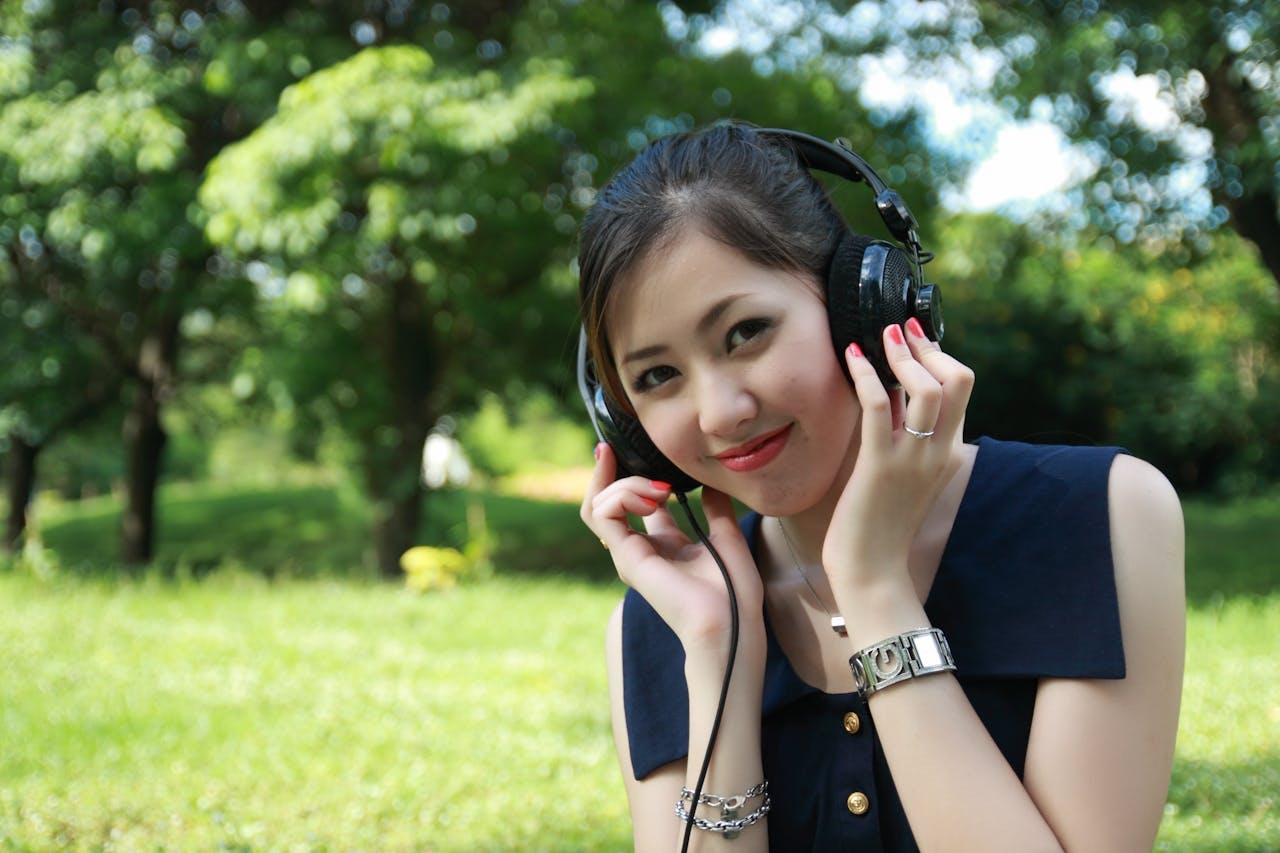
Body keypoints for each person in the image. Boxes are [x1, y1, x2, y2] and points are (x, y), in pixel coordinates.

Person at [577, 121, 1185, 851]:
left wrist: (873, 589)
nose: (720, 412)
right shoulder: (667, 619)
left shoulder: (1097, 515)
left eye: (745, 332)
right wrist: (720, 653)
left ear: (862, 308)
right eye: (657, 376)